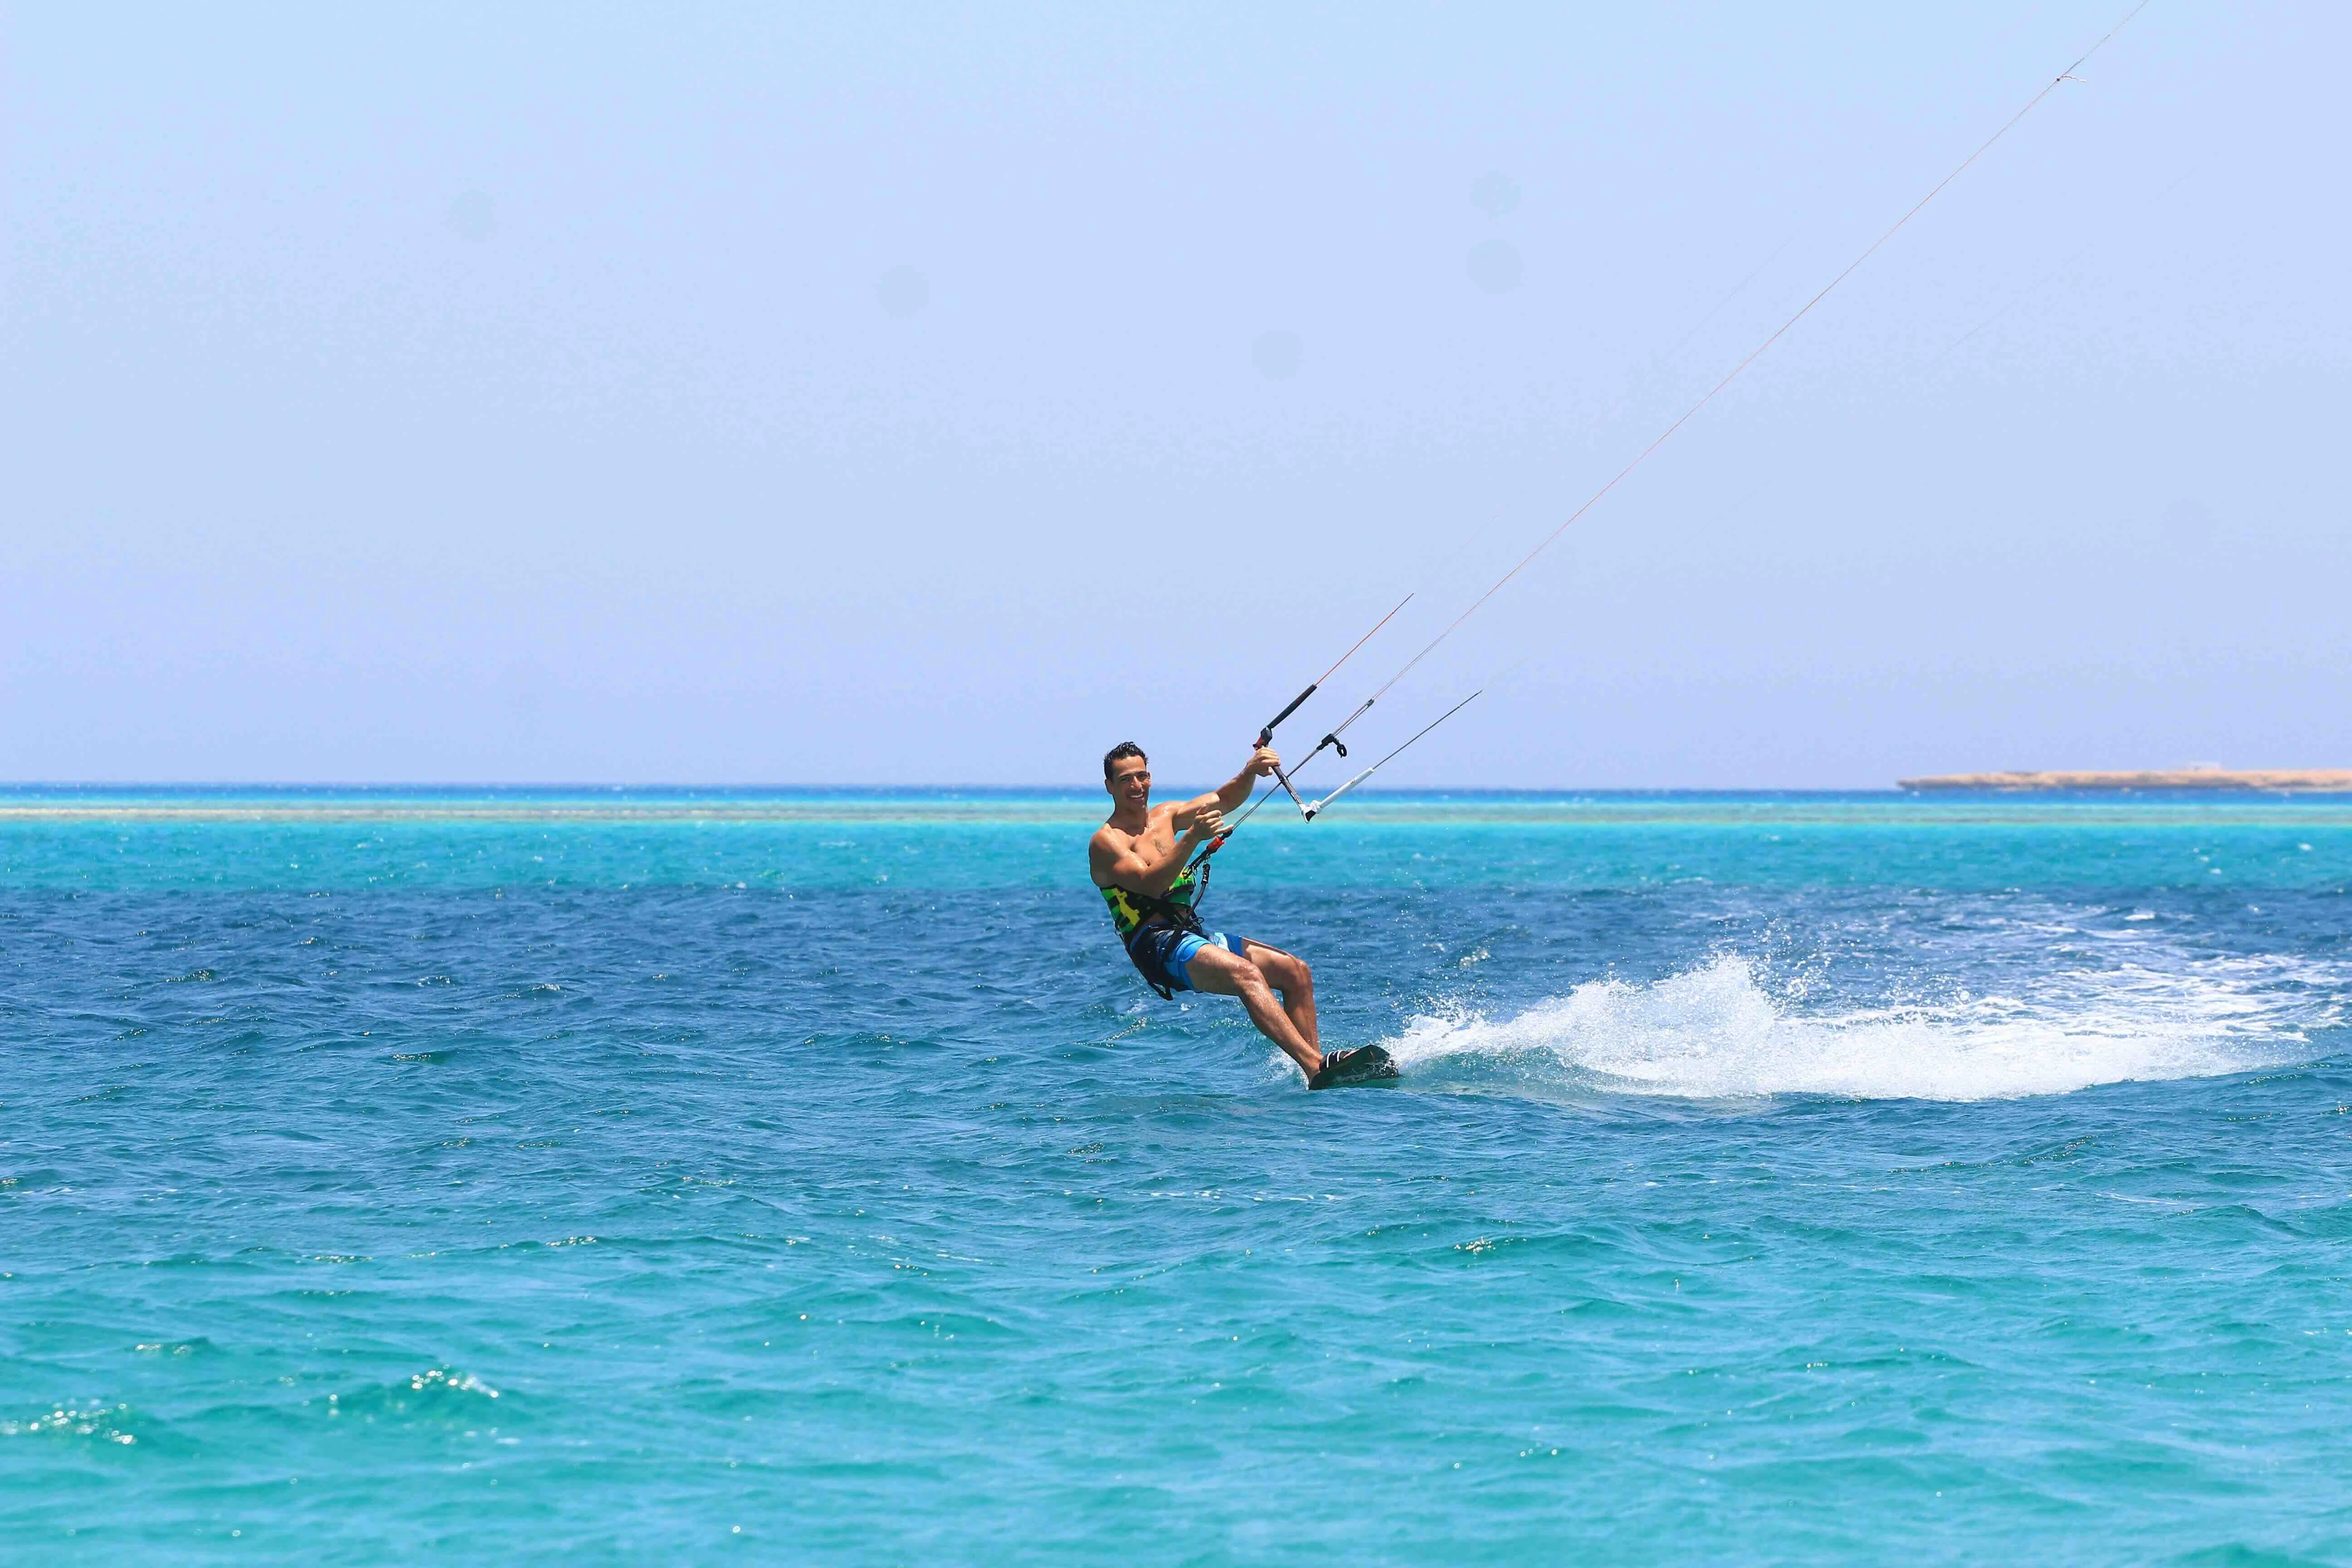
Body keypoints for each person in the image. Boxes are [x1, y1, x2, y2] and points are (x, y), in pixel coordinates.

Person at [1088, 740, 1394, 1090]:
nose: (1136, 786)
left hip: (1189, 934)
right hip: (1156, 946)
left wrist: (1251, 772)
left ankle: (1319, 1074)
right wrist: (1192, 839)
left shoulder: (1166, 817)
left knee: (1296, 972)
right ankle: (1315, 1067)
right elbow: (1152, 884)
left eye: (1142, 776)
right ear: (1110, 786)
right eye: (1126, 779)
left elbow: (1225, 799)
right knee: (1247, 976)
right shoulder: (1107, 842)